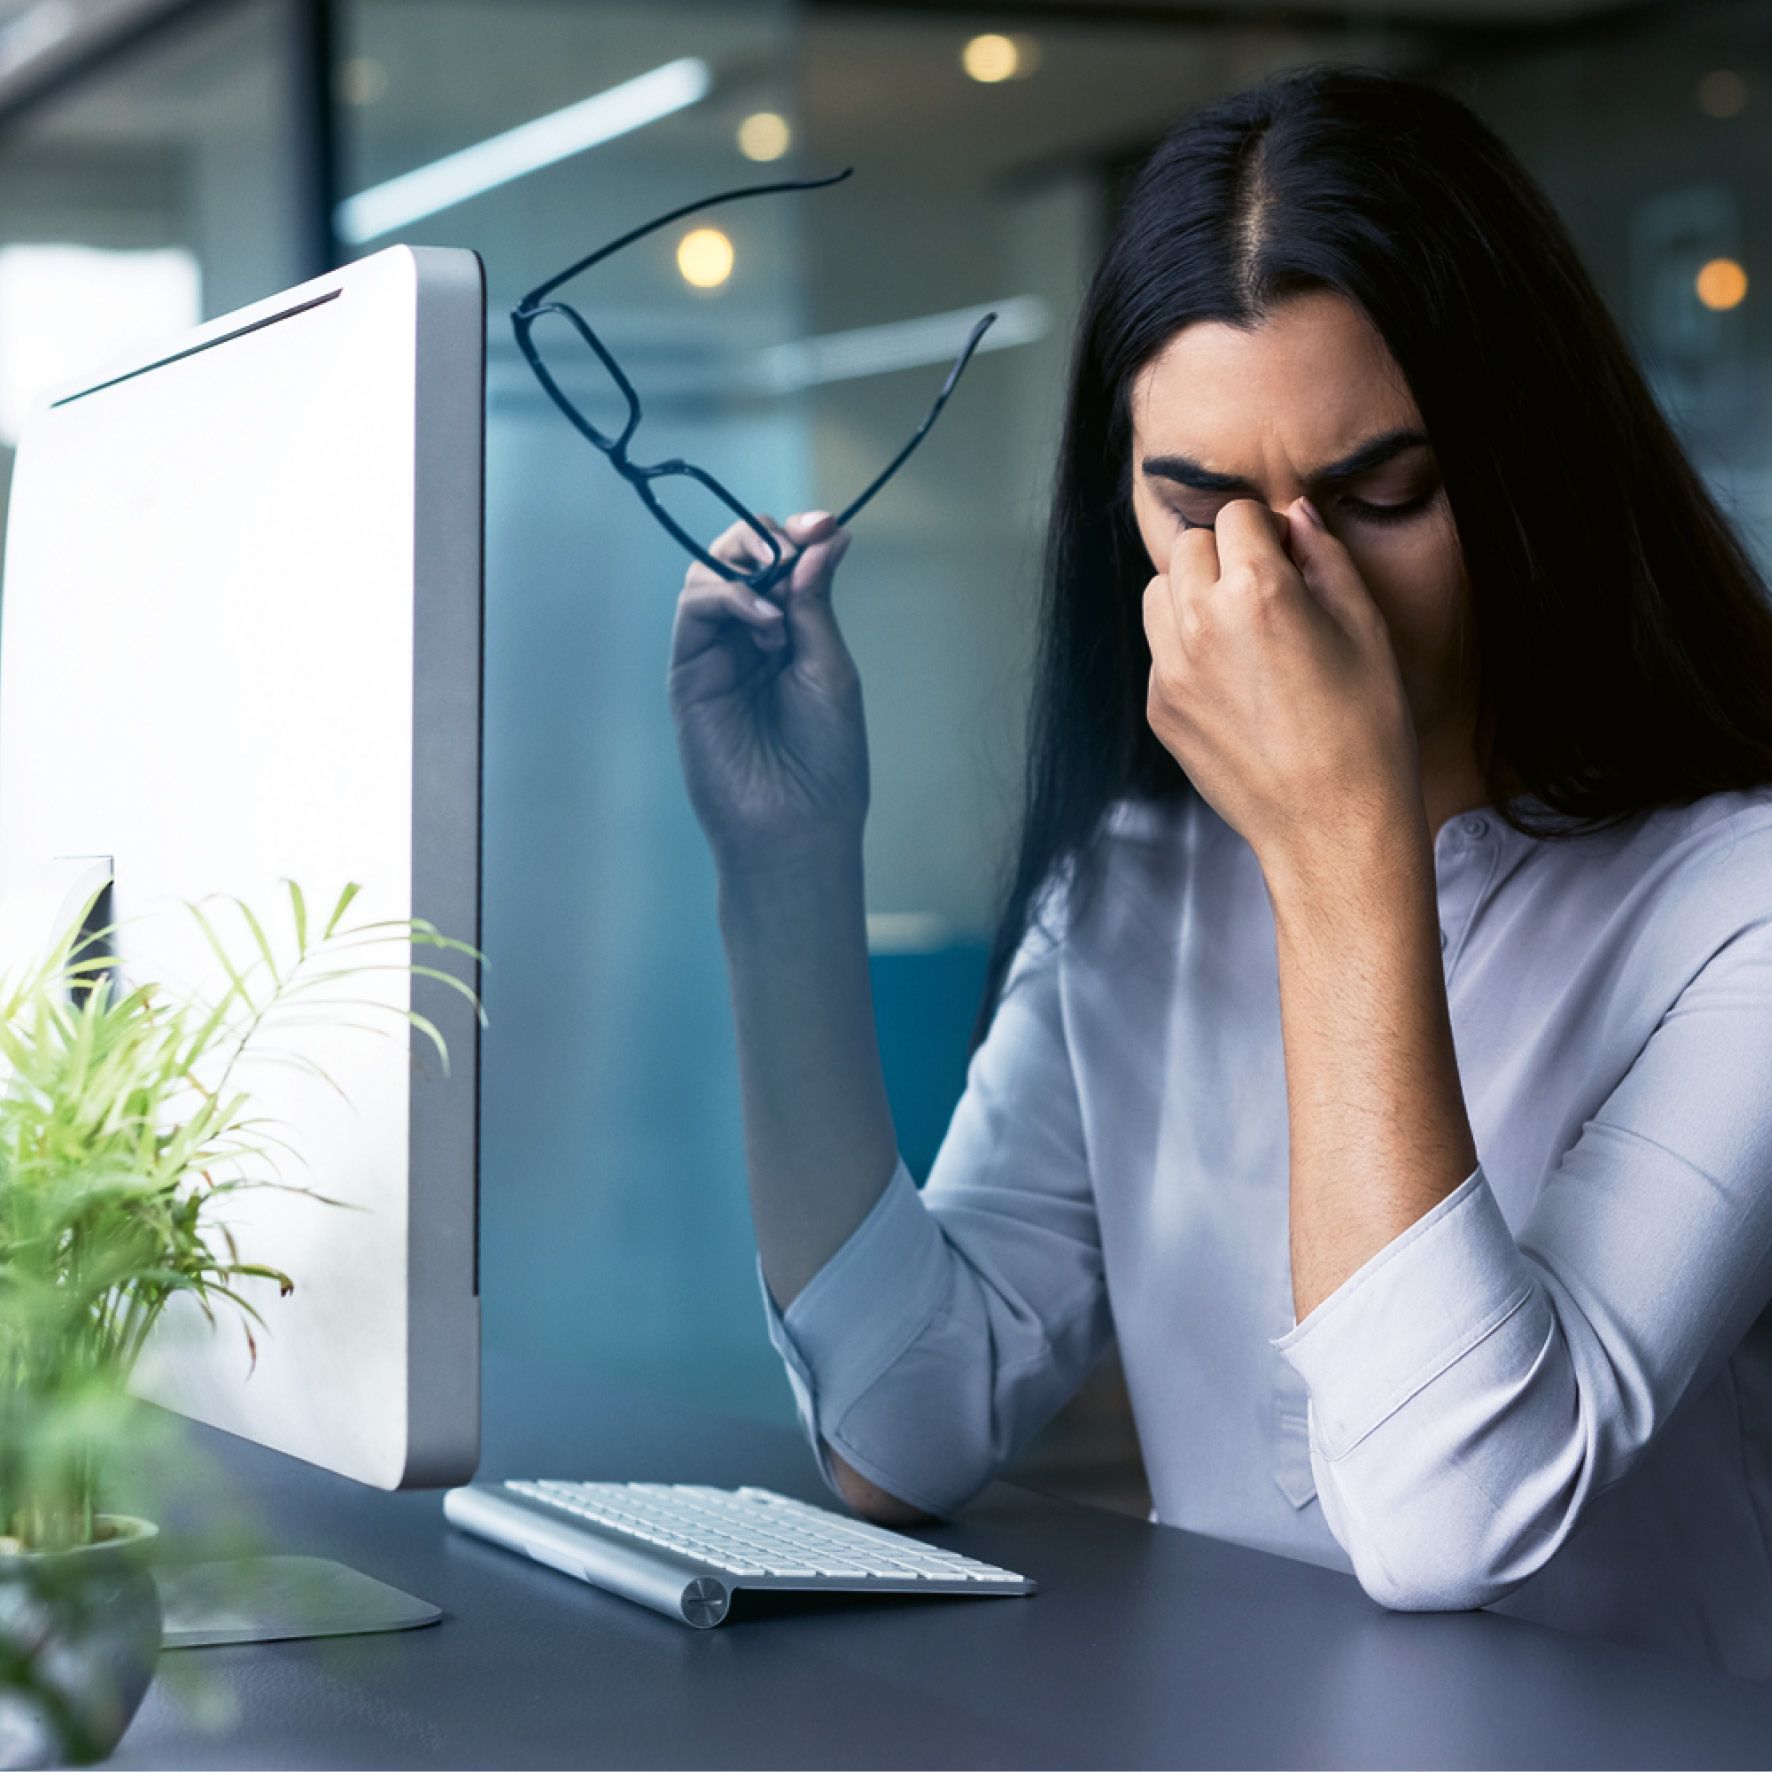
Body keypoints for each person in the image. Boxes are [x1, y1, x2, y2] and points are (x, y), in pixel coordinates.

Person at [666, 60, 1772, 1681]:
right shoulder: (1131, 878)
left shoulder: (1733, 906)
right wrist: (781, 868)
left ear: (1523, 473)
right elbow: (901, 1426)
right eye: (1195, 504)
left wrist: (1337, 844)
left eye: (1377, 495)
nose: (1265, 580)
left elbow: (1450, 1514)